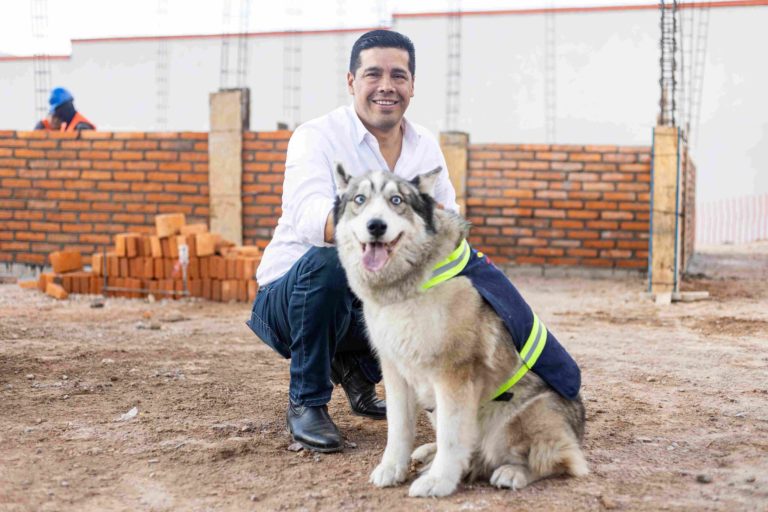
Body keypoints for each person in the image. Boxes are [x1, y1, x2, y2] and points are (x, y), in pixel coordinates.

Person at [246, 30, 459, 453]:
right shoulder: (317, 136)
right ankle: (306, 402)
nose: (386, 86)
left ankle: (358, 368)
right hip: (288, 300)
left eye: (398, 75)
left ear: (412, 86)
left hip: (357, 300)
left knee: (436, 282)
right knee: (335, 258)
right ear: (351, 81)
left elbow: (445, 223)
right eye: (372, 74)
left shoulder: (424, 147)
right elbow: (309, 218)